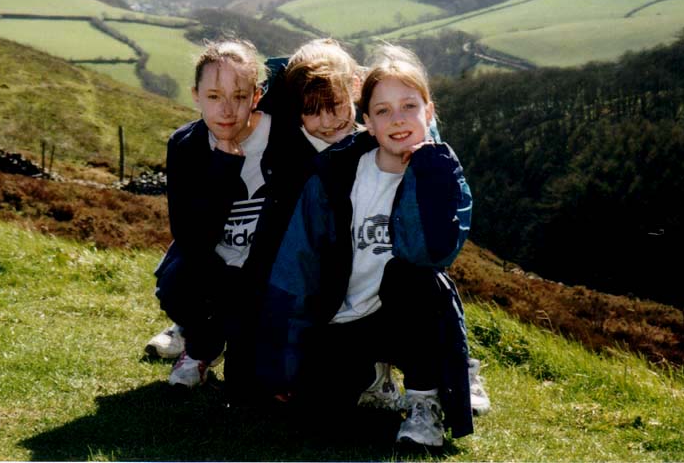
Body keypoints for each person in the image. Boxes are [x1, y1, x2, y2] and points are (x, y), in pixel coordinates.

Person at [258, 44, 475, 448]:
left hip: (405, 312)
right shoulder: (335, 174)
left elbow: (430, 252)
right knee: (312, 419)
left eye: (409, 106)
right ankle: (374, 379)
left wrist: (423, 173)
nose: (397, 120)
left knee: (410, 278)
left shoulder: (442, 171)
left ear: (429, 113)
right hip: (345, 318)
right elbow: (296, 267)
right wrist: (285, 361)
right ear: (367, 122)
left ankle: (425, 400)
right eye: (383, 111)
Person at [151, 38, 363, 400]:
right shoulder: (185, 146)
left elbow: (323, 97)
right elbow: (191, 237)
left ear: (258, 95)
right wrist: (224, 166)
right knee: (178, 284)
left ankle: (241, 342)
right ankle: (202, 345)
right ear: (196, 95)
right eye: (214, 96)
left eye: (240, 95)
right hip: (209, 269)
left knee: (250, 386)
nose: (228, 110)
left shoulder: (285, 133)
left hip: (265, 277)